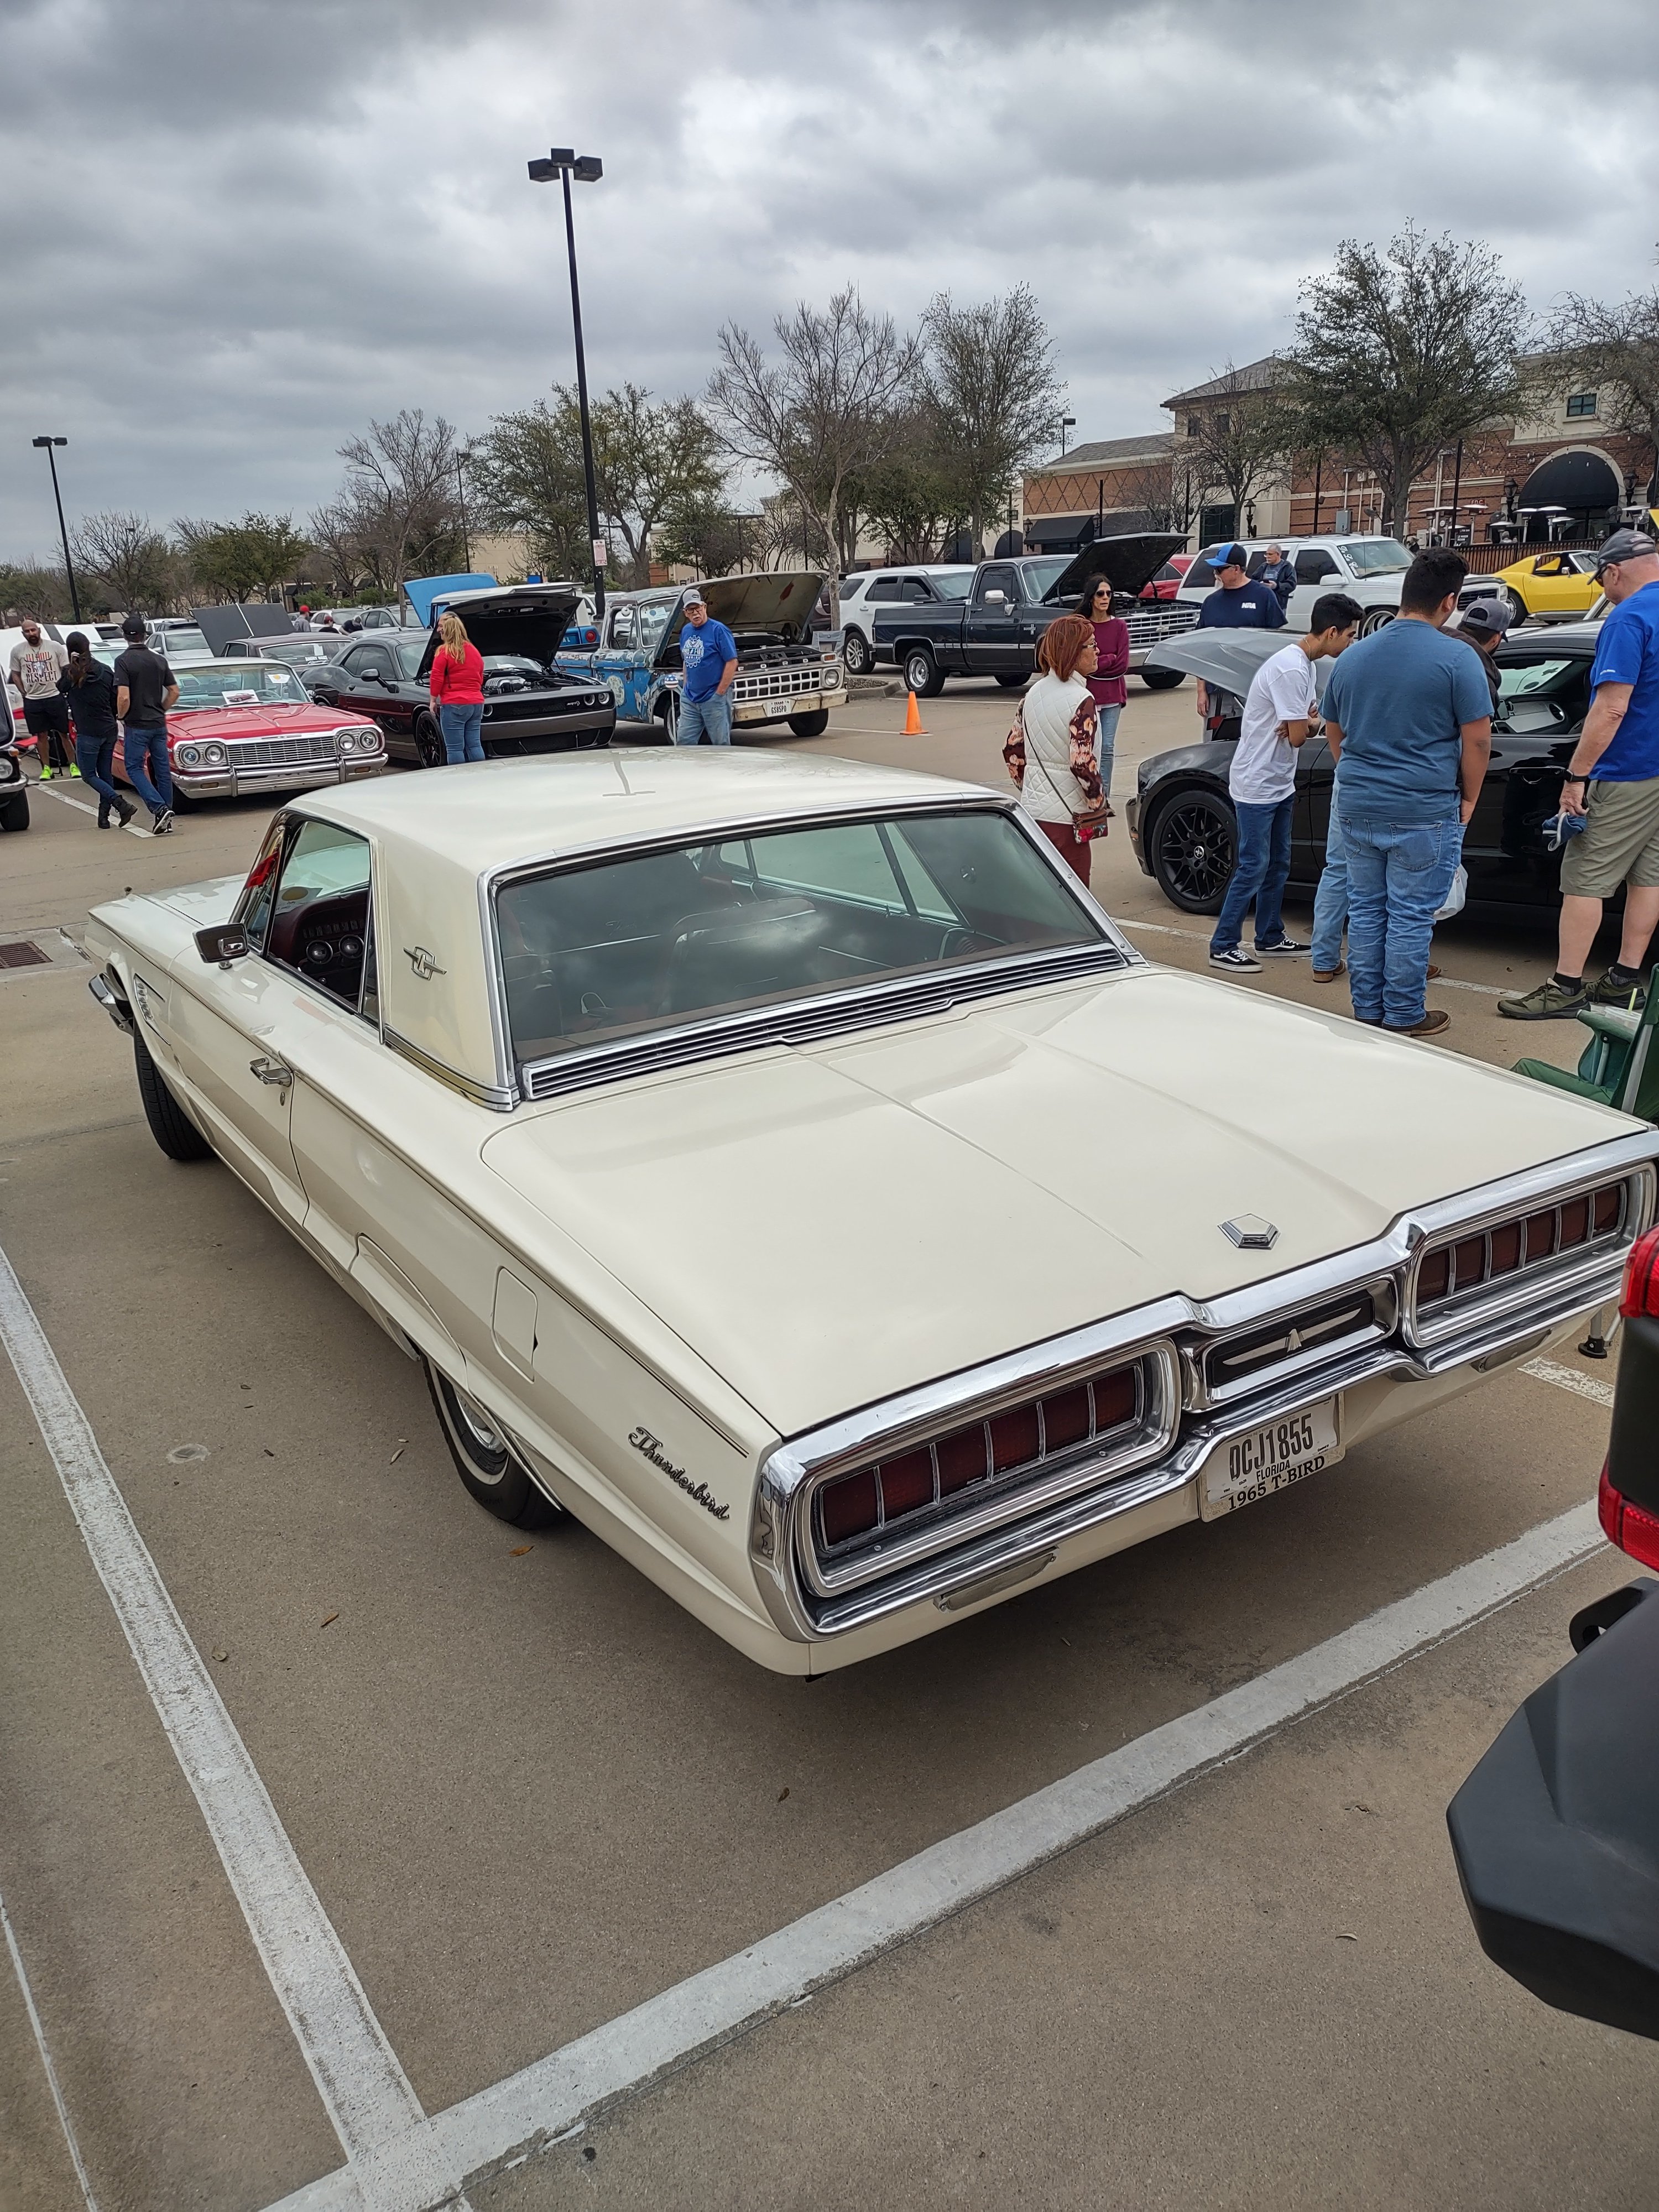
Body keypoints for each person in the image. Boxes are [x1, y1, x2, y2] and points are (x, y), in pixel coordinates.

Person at [1319, 549, 1491, 1038]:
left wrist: (1353, 771)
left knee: (1368, 910)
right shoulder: (1457, 657)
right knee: (1411, 917)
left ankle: (1368, 1012)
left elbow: (1334, 727)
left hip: (1357, 804)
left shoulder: (1353, 655)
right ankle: (1403, 1014)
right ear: (1450, 601)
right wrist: (1470, 799)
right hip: (1422, 806)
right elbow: (1478, 740)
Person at [1500, 527, 1659, 1019]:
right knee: (1649, 877)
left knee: (1584, 879)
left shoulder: (1628, 619)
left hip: (1627, 768)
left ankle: (1566, 985)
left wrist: (1577, 775)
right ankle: (1625, 980)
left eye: (1602, 581)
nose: (1604, 591)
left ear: (1614, 571)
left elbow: (1611, 708)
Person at [1209, 592, 1363, 973]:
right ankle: (1223, 943)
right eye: (1351, 635)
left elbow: (1306, 723)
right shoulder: (1292, 669)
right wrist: (1308, 724)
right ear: (1331, 631)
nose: (1352, 643)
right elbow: (1301, 733)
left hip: (1280, 781)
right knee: (1253, 865)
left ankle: (1270, 936)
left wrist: (1306, 722)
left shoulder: (1306, 664)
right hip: (1258, 782)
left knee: (1279, 863)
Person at [1002, 612, 1107, 885]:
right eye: (1092, 645)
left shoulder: (1033, 694)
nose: (1098, 651)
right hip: (1069, 821)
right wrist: (1097, 801)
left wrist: (1030, 786)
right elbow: (1082, 762)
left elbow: (1012, 751)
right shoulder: (1082, 699)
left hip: (1033, 814)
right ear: (1073, 652)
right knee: (1077, 903)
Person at [59, 633, 135, 828]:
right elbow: (113, 698)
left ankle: (120, 804)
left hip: (88, 731)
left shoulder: (70, 674)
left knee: (88, 774)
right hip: (108, 727)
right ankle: (104, 818)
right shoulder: (105, 671)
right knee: (105, 773)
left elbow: (60, 688)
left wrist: (72, 663)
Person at [112, 613, 179, 833]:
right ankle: (166, 816)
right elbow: (174, 692)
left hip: (137, 724)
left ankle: (159, 808)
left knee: (134, 767)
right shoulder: (159, 660)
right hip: (158, 723)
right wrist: (161, 708)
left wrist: (121, 715)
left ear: (125, 636)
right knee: (162, 770)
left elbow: (123, 697)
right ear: (145, 635)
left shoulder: (123, 661)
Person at [1078, 573, 1129, 796]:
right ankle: (1089, 791)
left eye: (1109, 594)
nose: (1105, 598)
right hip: (1086, 697)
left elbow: (1122, 665)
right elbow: (1079, 664)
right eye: (1100, 594)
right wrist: (1109, 658)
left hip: (1113, 696)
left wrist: (1098, 662)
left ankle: (1104, 797)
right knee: (1088, 747)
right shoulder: (1081, 626)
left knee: (1107, 748)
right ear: (1091, 598)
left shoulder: (1119, 627)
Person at [8, 618, 76, 779]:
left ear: (39, 630)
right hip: (33, 700)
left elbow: (66, 669)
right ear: (23, 633)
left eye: (33, 630)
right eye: (27, 631)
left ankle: (73, 765)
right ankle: (47, 769)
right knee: (40, 736)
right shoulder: (18, 651)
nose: (31, 633)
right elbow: (16, 674)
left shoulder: (54, 647)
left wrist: (63, 688)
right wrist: (23, 692)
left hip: (54, 697)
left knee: (64, 733)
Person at [676, 589, 737, 744]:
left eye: (698, 608)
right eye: (691, 610)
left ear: (704, 607)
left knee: (720, 744)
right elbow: (687, 660)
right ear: (685, 613)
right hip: (690, 698)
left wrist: (720, 693)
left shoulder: (719, 630)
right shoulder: (686, 631)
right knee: (684, 743)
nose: (695, 613)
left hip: (714, 698)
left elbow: (732, 662)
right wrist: (685, 686)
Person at [429, 611, 486, 763]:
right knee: (474, 745)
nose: (438, 630)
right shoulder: (474, 650)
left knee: (454, 748)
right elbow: (480, 676)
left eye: (440, 626)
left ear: (447, 629)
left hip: (454, 704)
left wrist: (433, 700)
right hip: (476, 703)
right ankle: (481, 777)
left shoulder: (444, 651)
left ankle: (459, 782)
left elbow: (436, 677)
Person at [1256, 545, 1297, 610]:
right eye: (1266, 554)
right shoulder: (1263, 566)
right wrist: (1260, 584)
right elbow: (1253, 580)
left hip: (1279, 606)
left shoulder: (1287, 567)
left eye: (1270, 554)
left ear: (1278, 554)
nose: (1267, 557)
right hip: (1263, 604)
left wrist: (1276, 586)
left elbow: (1292, 584)